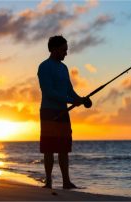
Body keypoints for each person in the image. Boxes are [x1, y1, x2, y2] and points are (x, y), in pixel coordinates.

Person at [37, 35, 92, 189]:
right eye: (63, 50)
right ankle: (48, 182)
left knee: (63, 148)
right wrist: (71, 101)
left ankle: (66, 181)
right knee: (49, 149)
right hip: (48, 111)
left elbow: (69, 90)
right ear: (54, 49)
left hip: (63, 111)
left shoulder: (64, 68)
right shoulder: (44, 67)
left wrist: (81, 99)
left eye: (66, 50)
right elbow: (48, 92)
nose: (66, 53)